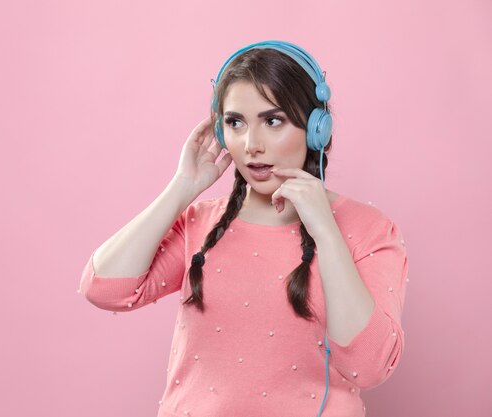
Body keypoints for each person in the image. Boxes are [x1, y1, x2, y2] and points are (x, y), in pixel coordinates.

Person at [79, 40, 409, 417]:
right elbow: (103, 288)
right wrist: (181, 188)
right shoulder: (201, 223)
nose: (252, 145)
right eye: (235, 123)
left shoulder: (370, 229)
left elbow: (370, 366)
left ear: (316, 128)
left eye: (273, 121)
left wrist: (327, 235)